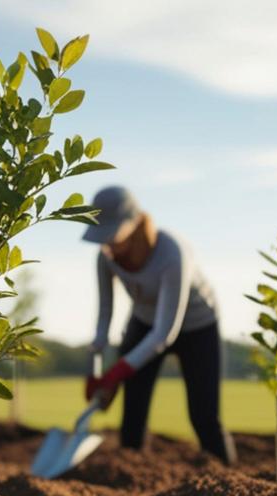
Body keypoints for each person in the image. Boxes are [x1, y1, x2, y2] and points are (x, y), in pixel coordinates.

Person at [82, 186, 236, 464]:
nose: (107, 245)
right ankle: (130, 477)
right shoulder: (106, 257)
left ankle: (231, 479)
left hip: (197, 326)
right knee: (133, 410)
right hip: (143, 321)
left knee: (203, 415)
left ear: (135, 222)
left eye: (112, 234)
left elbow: (164, 333)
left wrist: (117, 371)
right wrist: (96, 363)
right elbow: (105, 312)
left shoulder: (171, 253)